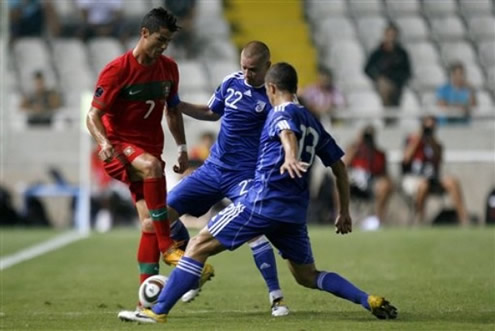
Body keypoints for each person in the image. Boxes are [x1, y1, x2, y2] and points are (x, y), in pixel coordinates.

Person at [121, 62, 398, 324]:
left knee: (196, 246)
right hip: (293, 213)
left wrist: (289, 155)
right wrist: (345, 211)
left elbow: (285, 131)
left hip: (261, 202)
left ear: (273, 88)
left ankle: (157, 312)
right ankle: (367, 299)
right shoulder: (312, 121)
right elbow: (339, 167)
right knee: (307, 276)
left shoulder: (281, 113)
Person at [119, 41, 289, 319]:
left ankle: (277, 298)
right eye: (243, 67)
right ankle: (192, 271)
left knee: (254, 231)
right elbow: (212, 112)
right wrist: (178, 104)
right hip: (213, 169)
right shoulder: (231, 82)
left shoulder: (274, 97)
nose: (247, 74)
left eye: (253, 70)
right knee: (161, 215)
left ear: (268, 67)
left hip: (245, 176)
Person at [86, 6, 214, 306]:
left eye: (167, 42)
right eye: (159, 39)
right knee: (153, 167)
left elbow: (172, 110)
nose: (163, 46)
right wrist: (103, 142)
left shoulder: (169, 69)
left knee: (148, 224)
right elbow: (92, 116)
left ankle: (147, 300)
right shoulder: (117, 70)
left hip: (149, 148)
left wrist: (182, 148)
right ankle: (171, 248)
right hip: (118, 148)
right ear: (144, 33)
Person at [402, 116, 469, 225]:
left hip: (432, 178)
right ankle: (420, 220)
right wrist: (419, 138)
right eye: (427, 127)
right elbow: (406, 159)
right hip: (414, 178)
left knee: (452, 181)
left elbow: (440, 158)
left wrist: (431, 140)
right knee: (423, 185)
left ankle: (464, 218)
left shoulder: (436, 144)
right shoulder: (411, 140)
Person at [345, 125, 393, 227]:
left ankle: (378, 219)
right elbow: (342, 168)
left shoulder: (379, 154)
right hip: (354, 182)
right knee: (340, 182)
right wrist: (356, 147)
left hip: (372, 182)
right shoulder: (354, 150)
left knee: (385, 186)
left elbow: (385, 174)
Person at [364, 23, 411, 107]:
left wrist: (397, 79)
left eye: (393, 35)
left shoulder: (402, 54)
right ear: (385, 35)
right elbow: (367, 69)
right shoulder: (378, 53)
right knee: (384, 86)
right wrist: (378, 77)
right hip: (382, 83)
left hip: (397, 84)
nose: (391, 38)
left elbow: (407, 71)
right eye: (389, 35)